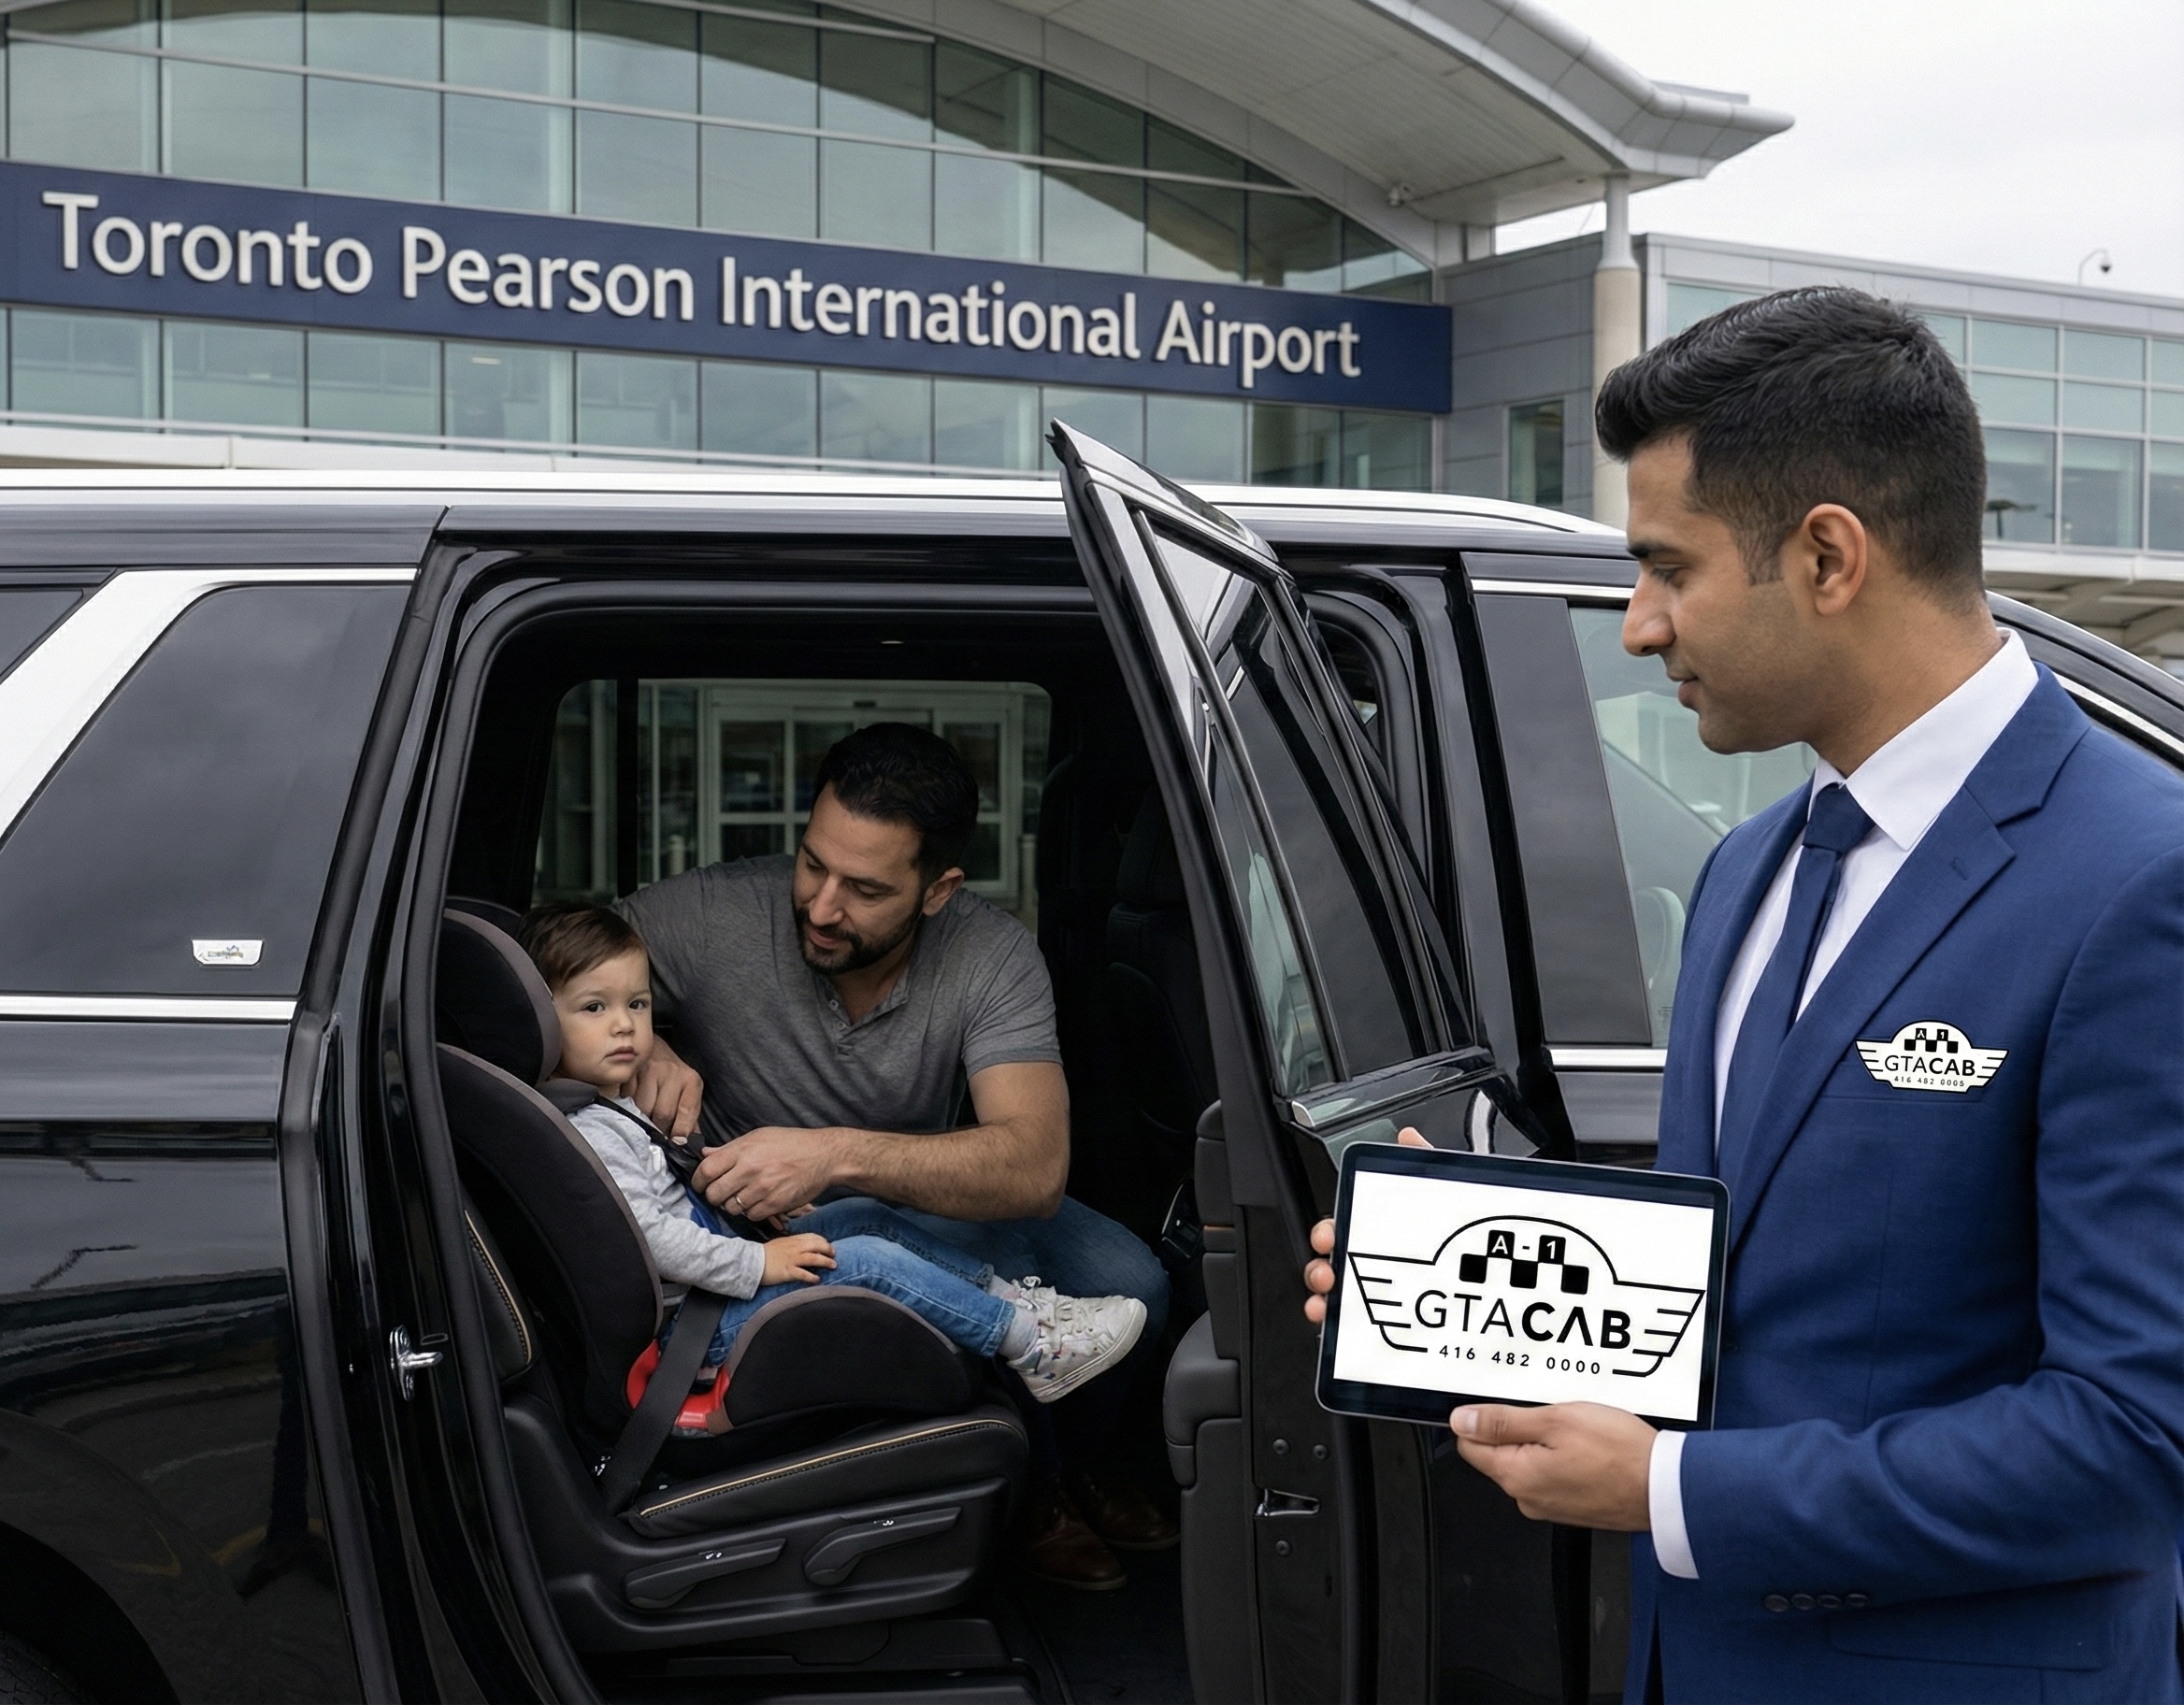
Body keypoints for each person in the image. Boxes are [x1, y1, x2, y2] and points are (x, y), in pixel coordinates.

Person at [1305, 288, 2184, 1701]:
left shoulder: (2142, 882)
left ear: (1828, 555)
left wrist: (1673, 1493)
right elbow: (1763, 1259)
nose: (1640, 627)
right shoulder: (1751, 866)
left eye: (1667, 567)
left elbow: (2137, 1446)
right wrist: (1452, 1286)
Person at [619, 722, 1174, 1586]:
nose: (821, 905)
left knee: (1136, 1283)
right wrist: (635, 1035)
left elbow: (1033, 1167)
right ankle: (1033, 1489)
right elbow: (548, 955)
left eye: (866, 889)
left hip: (909, 1184)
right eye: (813, 864)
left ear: (937, 889)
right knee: (999, 1270)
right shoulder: (711, 912)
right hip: (751, 1224)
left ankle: (1066, 1465)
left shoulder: (993, 956)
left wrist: (833, 1153)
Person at [521, 901, 1147, 1405]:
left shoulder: (613, 1106)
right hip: (695, 1330)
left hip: (710, 1291)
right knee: (868, 1259)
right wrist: (757, 1261)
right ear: (538, 1022)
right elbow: (654, 1241)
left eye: (637, 1004)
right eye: (594, 1009)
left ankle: (1019, 1305)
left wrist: (747, 1218)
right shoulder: (592, 1131)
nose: (626, 1026)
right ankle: (1031, 1345)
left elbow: (667, 1200)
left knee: (860, 1217)